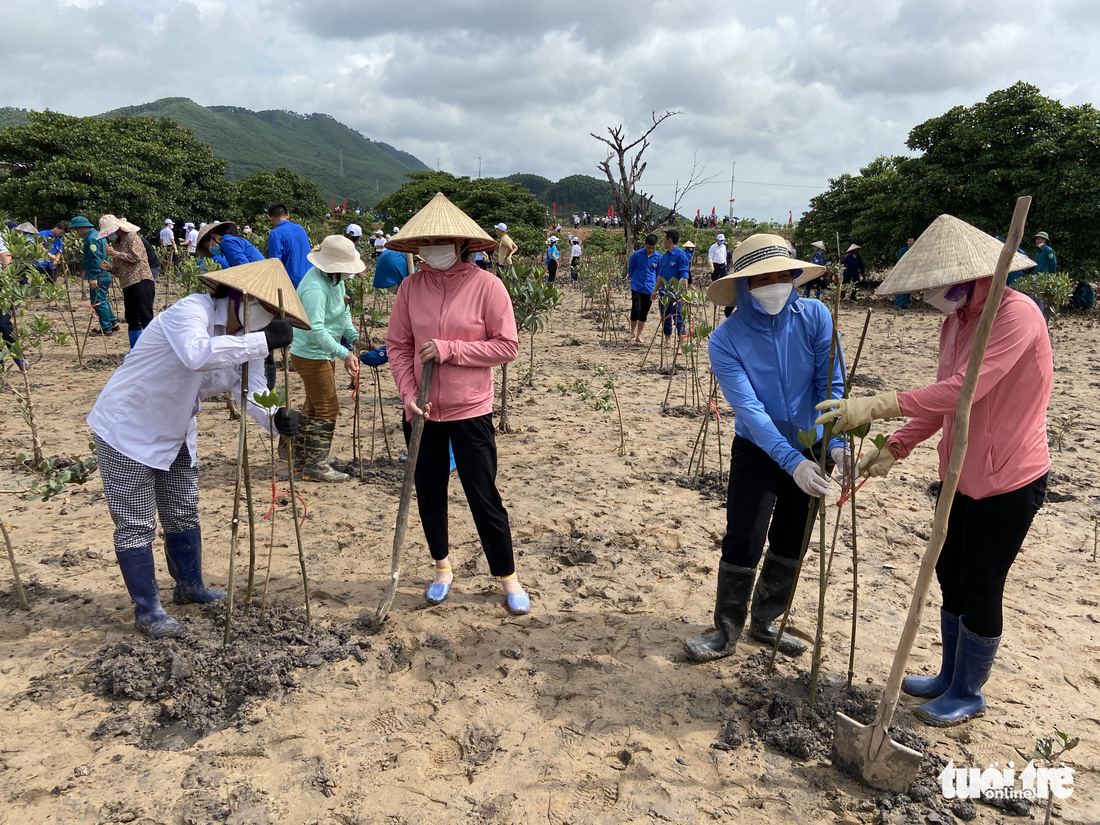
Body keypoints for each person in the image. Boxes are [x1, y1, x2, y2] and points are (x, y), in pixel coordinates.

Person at [815, 216, 1049, 727]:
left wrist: (878, 405)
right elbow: (943, 405)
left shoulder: (1016, 315)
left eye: (936, 282)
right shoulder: (956, 321)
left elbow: (964, 390)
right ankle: (947, 675)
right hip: (960, 472)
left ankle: (968, 690)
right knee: (949, 574)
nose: (931, 293)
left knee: (982, 582)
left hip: (1010, 477)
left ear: (969, 274)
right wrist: (895, 446)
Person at [87, 258, 306, 638]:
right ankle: (148, 610)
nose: (268, 317)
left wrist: (277, 418)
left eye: (275, 313)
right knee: (136, 524)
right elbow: (197, 354)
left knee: (183, 512)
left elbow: (252, 390)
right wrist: (262, 339)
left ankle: (191, 586)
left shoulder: (254, 343)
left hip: (176, 429)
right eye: (266, 307)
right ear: (241, 297)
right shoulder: (191, 310)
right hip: (126, 429)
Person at [685, 234, 844, 662]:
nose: (775, 284)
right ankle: (727, 628)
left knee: (793, 536)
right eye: (761, 278)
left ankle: (766, 620)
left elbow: (830, 385)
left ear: (795, 275)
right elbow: (750, 411)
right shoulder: (725, 339)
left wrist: (837, 446)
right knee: (745, 535)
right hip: (757, 448)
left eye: (782, 274)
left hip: (812, 445)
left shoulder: (816, 316)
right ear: (743, 285)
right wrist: (790, 461)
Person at [385, 192, 529, 615]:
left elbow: (507, 347)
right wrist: (409, 396)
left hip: (471, 411)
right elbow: (398, 345)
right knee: (429, 490)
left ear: (463, 243)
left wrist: (450, 350)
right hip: (423, 412)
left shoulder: (489, 287)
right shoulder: (410, 288)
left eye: (441, 241)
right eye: (425, 242)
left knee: (483, 494)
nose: (432, 249)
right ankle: (442, 568)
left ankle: (508, 578)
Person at [288, 236, 363, 482]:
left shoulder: (335, 281)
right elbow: (316, 329)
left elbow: (343, 313)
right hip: (310, 354)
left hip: (321, 352)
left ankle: (302, 460)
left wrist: (354, 337)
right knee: (328, 407)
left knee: (313, 407)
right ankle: (316, 466)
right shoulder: (315, 288)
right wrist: (344, 353)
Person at [99, 215, 156, 348]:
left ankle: (151, 349)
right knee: (131, 318)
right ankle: (135, 350)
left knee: (145, 316)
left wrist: (115, 253)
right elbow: (120, 270)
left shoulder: (132, 237)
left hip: (141, 281)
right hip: (128, 284)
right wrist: (110, 268)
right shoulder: (117, 243)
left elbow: (137, 258)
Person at [70, 216, 119, 336]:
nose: (77, 233)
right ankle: (113, 324)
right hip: (104, 274)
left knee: (97, 301)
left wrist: (93, 277)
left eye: (77, 230)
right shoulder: (98, 235)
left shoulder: (91, 239)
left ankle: (106, 328)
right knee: (103, 300)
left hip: (99, 275)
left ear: (81, 228)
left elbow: (95, 259)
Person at [656, 229, 690, 348]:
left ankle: (681, 345)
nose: (663, 242)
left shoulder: (681, 256)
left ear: (669, 240)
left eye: (664, 239)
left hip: (676, 294)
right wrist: (655, 290)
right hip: (664, 293)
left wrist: (684, 295)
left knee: (678, 318)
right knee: (665, 318)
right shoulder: (664, 257)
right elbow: (660, 276)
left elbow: (684, 276)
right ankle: (668, 340)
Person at [266, 204, 312, 288]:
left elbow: (275, 262)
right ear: (287, 215)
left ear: (271, 218)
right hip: (309, 277)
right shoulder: (300, 229)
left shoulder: (275, 234)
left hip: (292, 281)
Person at [628, 233, 660, 342]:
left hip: (650, 288)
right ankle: (631, 332)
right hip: (637, 286)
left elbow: (659, 272)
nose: (650, 250)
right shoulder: (636, 255)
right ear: (645, 245)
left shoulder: (659, 257)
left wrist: (656, 289)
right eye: (648, 247)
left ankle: (639, 335)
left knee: (644, 312)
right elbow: (631, 269)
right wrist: (633, 280)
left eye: (653, 248)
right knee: (636, 309)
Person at [195, 221, 264, 268]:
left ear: (214, 237)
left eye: (208, 246)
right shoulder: (229, 241)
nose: (210, 250)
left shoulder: (227, 242)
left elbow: (243, 267)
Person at [894, 237, 916, 308]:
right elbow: (899, 260)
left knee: (907, 288)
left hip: (910, 271)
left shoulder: (916, 250)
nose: (909, 242)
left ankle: (905, 304)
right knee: (900, 287)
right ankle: (898, 304)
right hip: (902, 271)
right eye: (908, 241)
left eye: (911, 241)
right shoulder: (902, 250)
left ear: (914, 242)